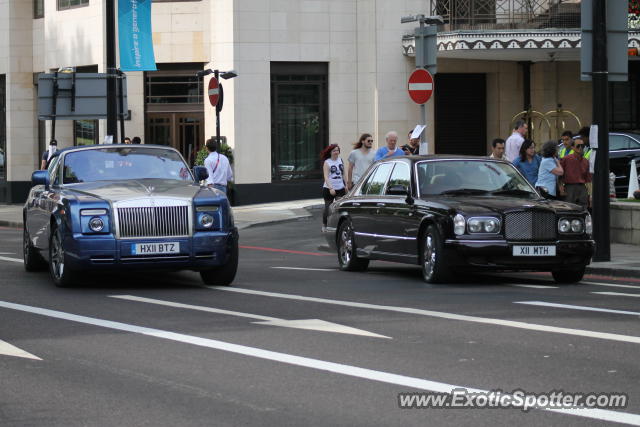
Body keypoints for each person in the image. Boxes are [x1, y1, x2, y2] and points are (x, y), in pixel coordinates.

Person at [560, 137, 591, 209]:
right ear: (573, 147)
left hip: (582, 188)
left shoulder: (586, 161)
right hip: (569, 187)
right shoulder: (566, 159)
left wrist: (591, 195)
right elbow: (559, 176)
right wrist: (561, 189)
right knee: (569, 208)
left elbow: (588, 180)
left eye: (582, 146)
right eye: (578, 146)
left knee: (583, 208)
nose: (580, 148)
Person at [320, 144, 346, 232]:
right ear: (330, 152)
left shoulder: (340, 160)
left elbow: (343, 174)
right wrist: (331, 188)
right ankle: (324, 224)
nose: (336, 152)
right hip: (329, 188)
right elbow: (326, 176)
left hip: (340, 187)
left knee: (340, 207)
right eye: (334, 151)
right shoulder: (327, 162)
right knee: (328, 207)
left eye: (337, 150)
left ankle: (338, 225)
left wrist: (345, 185)